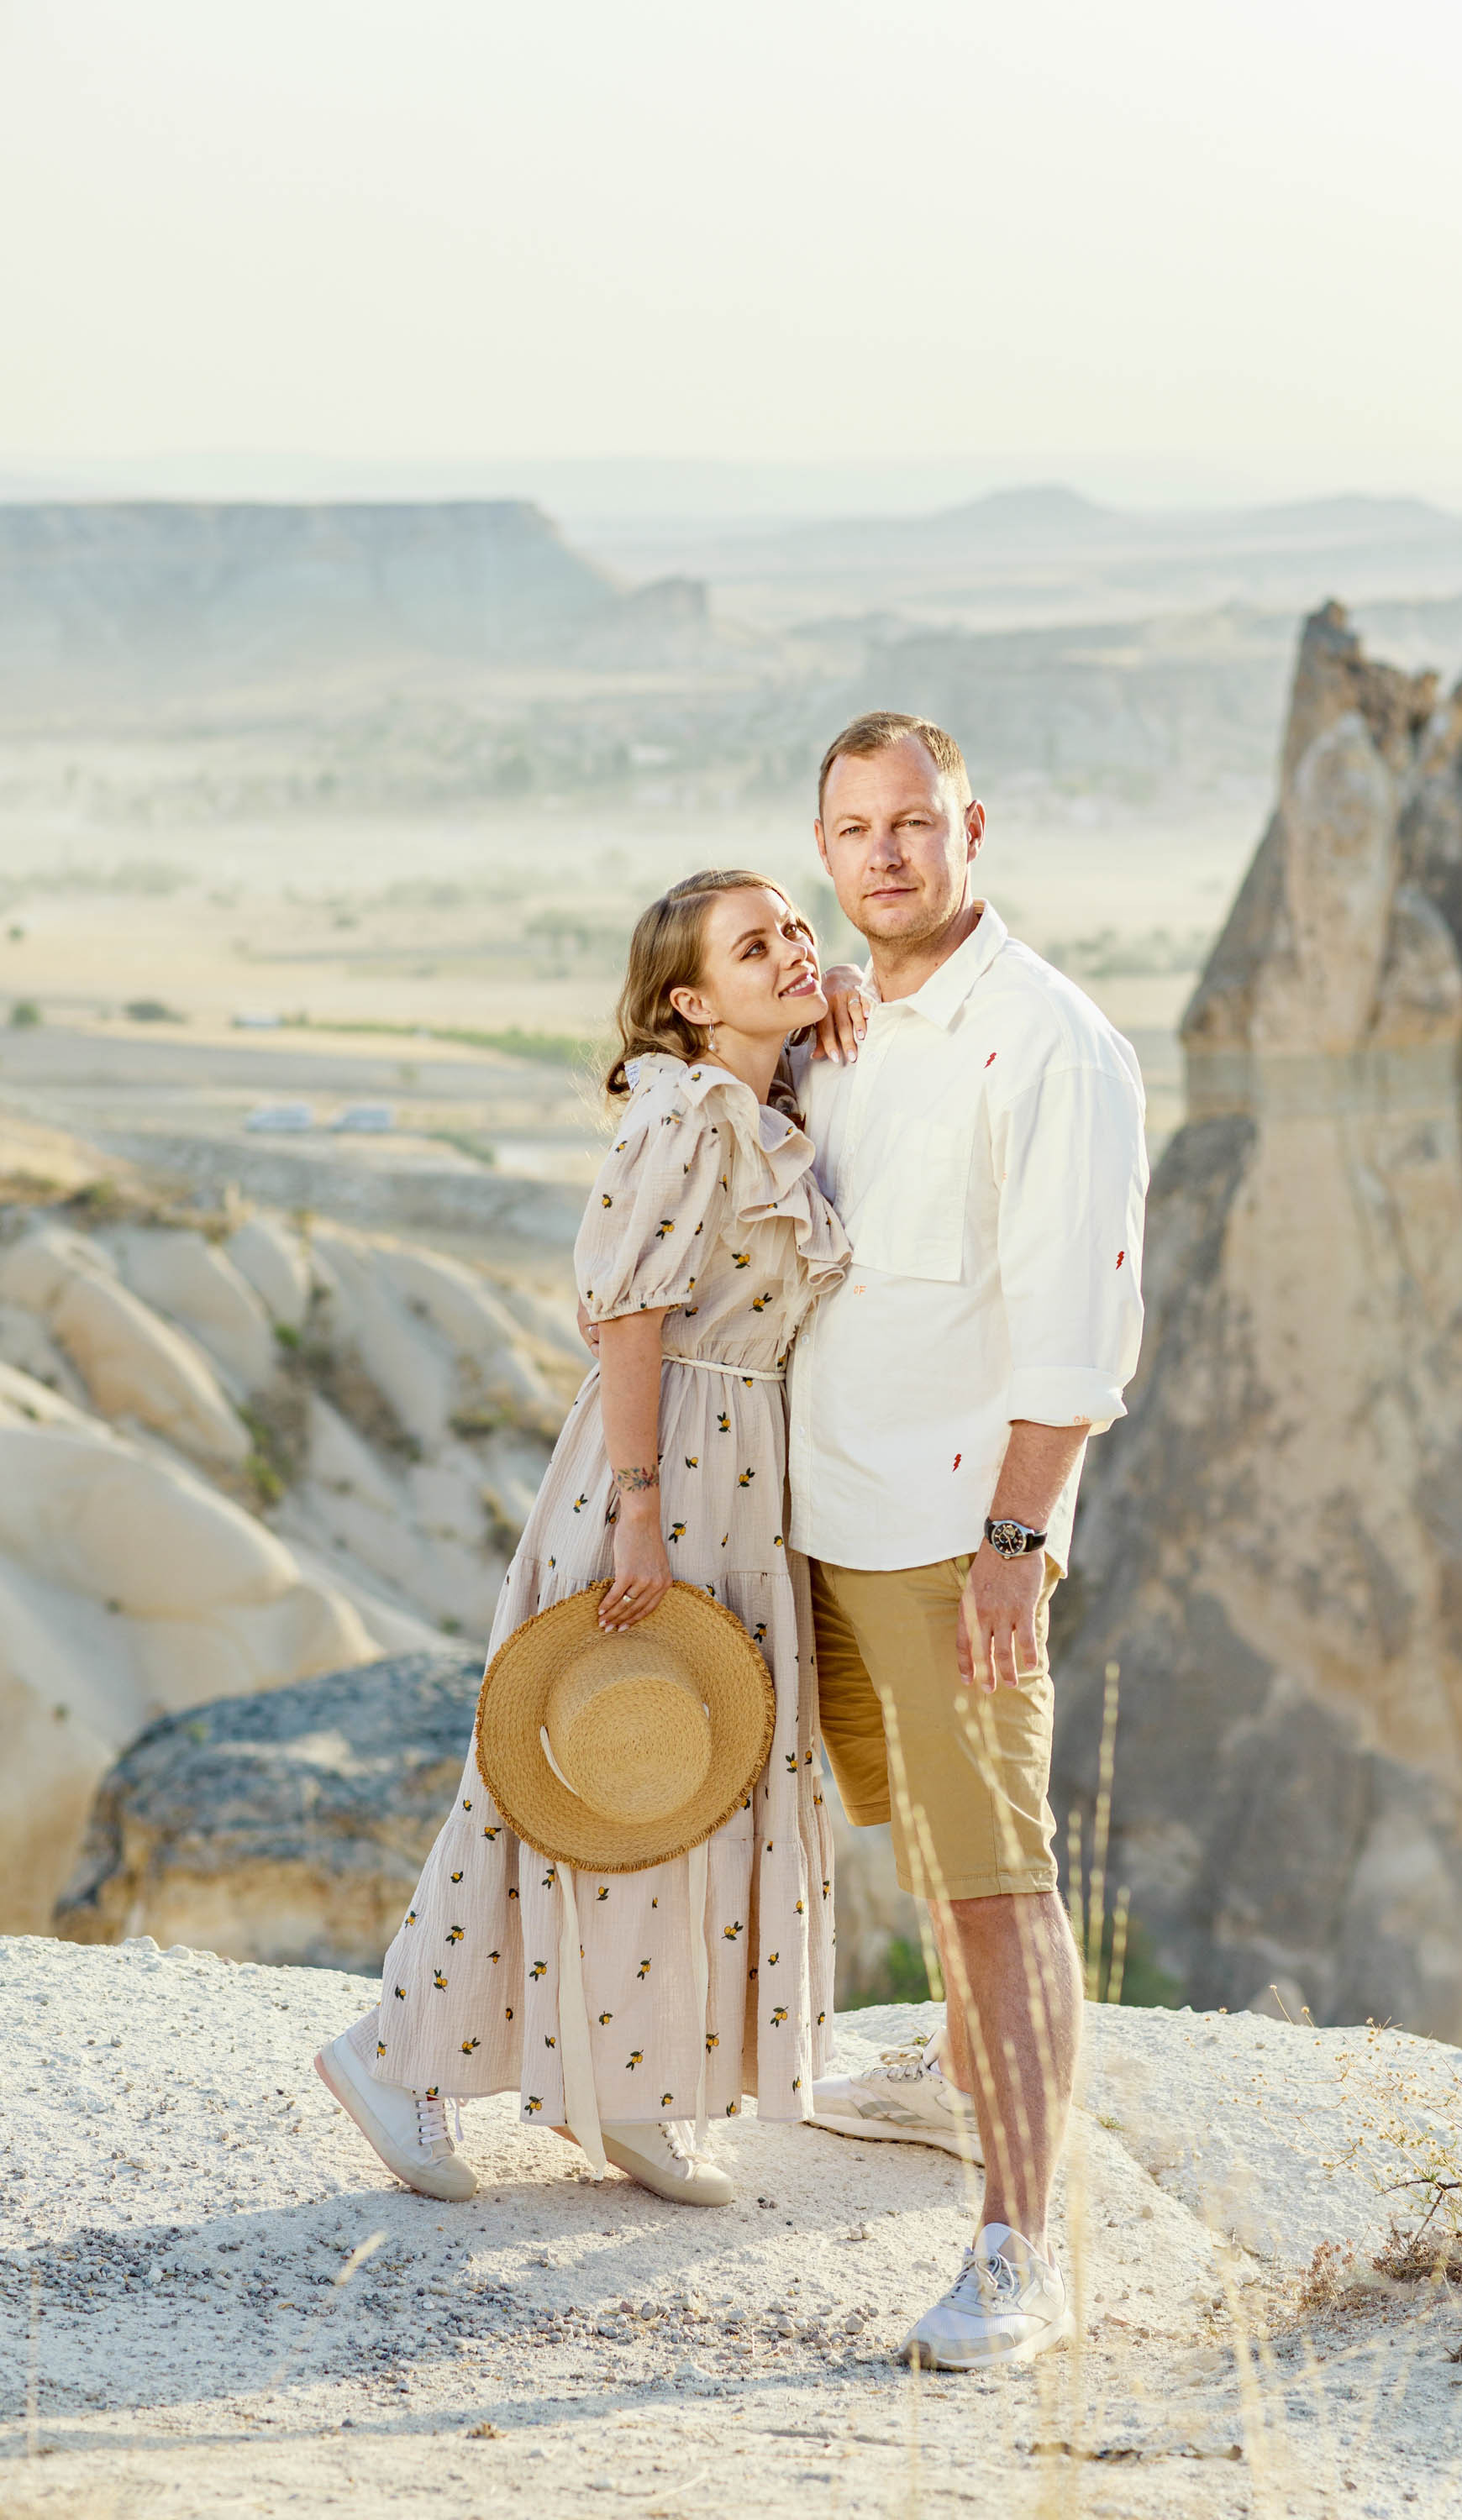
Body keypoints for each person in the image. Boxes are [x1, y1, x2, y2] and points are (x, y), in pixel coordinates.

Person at [314, 870, 849, 2208]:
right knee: (564, 1774)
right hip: (663, 1470)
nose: (792, 951)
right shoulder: (687, 1122)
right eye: (755, 945)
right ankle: (393, 2055)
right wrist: (639, 1510)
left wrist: (834, 1006)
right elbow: (624, 1319)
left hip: (744, 1473)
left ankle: (630, 2091)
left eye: (795, 931)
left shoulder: (768, 1103)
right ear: (687, 1001)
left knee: (689, 1779)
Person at [790, 711, 1149, 2372]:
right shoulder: (848, 1027)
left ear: (972, 829)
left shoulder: (1054, 1044)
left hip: (954, 1533)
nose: (886, 852)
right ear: (826, 850)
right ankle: (947, 2078)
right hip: (827, 1518)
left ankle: (1023, 2247)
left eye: (913, 823)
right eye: (856, 828)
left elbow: (1077, 1332)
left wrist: (1015, 1539)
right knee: (923, 1851)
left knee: (996, 1883)